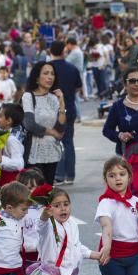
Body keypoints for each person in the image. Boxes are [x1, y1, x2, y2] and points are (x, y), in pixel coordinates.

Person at [21, 61, 66, 184]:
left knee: (48, 191)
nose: (50, 77)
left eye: (52, 74)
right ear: (37, 77)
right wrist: (51, 132)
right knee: (35, 191)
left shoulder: (54, 98)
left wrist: (61, 102)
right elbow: (30, 124)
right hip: (34, 152)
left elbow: (61, 128)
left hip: (52, 152)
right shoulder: (28, 96)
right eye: (46, 73)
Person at [49, 41, 83, 186]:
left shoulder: (47, 69)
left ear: (51, 51)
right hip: (69, 106)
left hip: (51, 110)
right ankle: (70, 175)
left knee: (55, 142)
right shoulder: (72, 68)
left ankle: (59, 174)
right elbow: (78, 88)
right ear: (64, 51)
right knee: (68, 142)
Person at [17, 168, 46, 273]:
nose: (33, 191)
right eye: (28, 187)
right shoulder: (17, 210)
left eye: (36, 187)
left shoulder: (45, 208)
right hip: (23, 255)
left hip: (43, 255)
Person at [0, 104, 25, 186]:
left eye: (0, 116)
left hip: (10, 181)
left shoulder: (12, 140)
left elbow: (19, 164)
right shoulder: (3, 134)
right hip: (2, 177)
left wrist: (1, 158)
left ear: (8, 121)